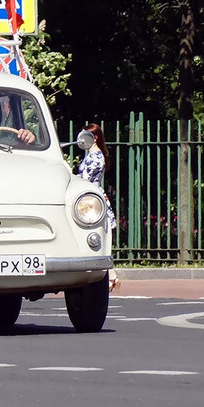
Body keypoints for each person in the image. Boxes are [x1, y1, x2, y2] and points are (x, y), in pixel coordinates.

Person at [78, 122, 119, 291]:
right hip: (88, 199)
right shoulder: (91, 155)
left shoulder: (96, 156)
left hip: (92, 201)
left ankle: (111, 275)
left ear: (94, 138)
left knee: (99, 239)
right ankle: (111, 275)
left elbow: (85, 178)